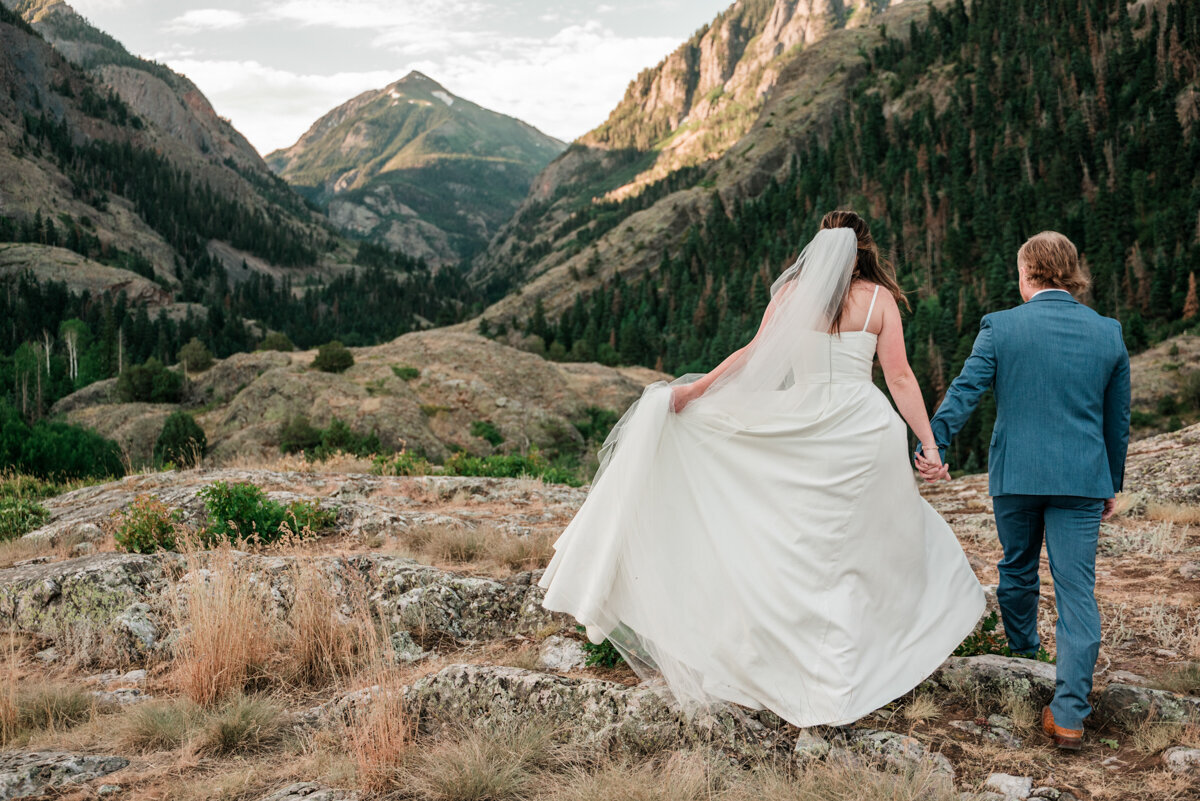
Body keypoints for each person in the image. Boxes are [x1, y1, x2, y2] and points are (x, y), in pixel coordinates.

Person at [539, 210, 984, 728]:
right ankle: (855, 657)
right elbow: (902, 378)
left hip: (804, 423)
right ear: (865, 249)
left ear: (819, 249)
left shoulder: (794, 295)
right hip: (864, 430)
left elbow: (752, 355)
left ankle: (788, 657)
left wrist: (692, 392)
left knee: (796, 546)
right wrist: (929, 444)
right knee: (863, 548)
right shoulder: (879, 300)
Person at [917, 231, 1130, 751]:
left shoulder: (1002, 327)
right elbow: (1116, 420)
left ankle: (1024, 658)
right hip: (1082, 479)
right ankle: (1070, 714)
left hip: (1016, 477)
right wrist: (1111, 482)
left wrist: (934, 444)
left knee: (1016, 568)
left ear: (1027, 273)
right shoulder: (1108, 333)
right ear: (1072, 272)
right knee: (1076, 589)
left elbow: (965, 390)